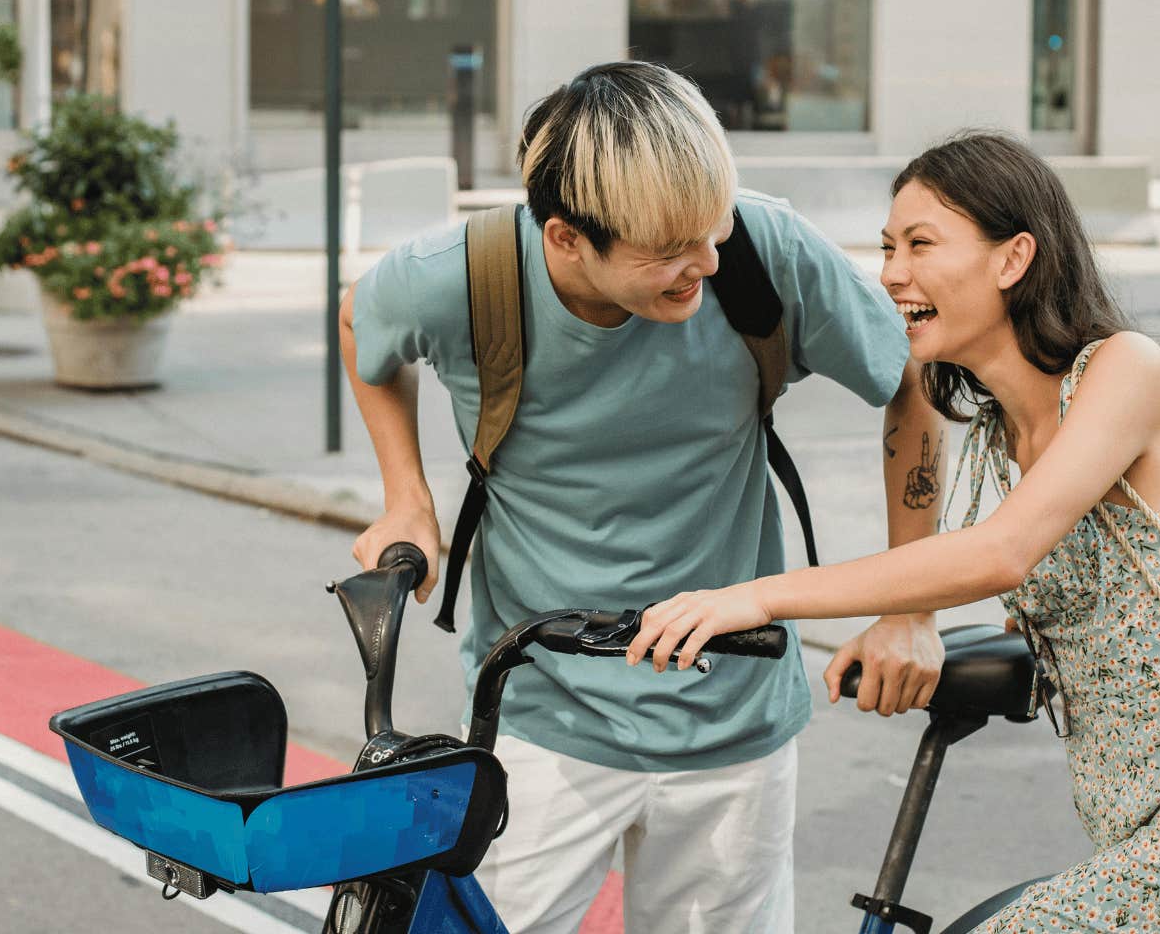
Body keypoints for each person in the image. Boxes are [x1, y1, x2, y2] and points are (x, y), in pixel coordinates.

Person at [627, 131, 1160, 932]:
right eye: (888, 246)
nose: (891, 273)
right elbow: (1079, 612)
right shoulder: (997, 431)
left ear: (1012, 258)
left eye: (921, 244)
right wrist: (903, 629)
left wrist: (754, 599)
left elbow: (999, 553)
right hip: (1131, 835)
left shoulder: (1124, 370)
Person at [339, 60, 946, 934]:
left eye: (713, 230)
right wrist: (407, 497)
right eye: (668, 250)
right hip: (545, 711)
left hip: (734, 717)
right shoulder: (460, 277)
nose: (705, 261)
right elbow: (361, 317)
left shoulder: (762, 251)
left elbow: (911, 375)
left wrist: (909, 604)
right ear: (565, 239)